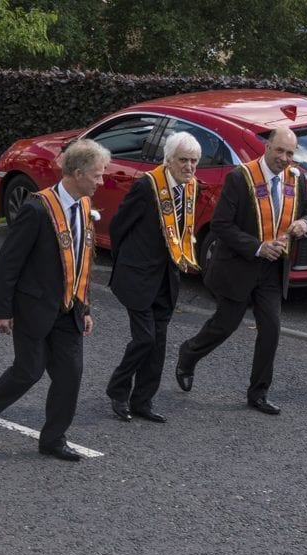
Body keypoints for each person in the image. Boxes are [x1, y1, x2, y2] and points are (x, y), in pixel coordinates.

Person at [0, 139, 110, 462]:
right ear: (77, 173)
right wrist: (2, 310)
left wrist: (85, 306)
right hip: (34, 308)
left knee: (70, 376)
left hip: (69, 310)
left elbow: (82, 262)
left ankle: (53, 439)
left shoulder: (85, 208)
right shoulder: (36, 209)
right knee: (29, 371)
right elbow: (10, 262)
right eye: (97, 175)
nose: (101, 182)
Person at [175, 126, 307, 415]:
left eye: (290, 153)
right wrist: (257, 247)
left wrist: (306, 224)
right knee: (225, 325)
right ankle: (188, 354)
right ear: (267, 147)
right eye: (279, 150)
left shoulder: (295, 178)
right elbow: (221, 225)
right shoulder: (240, 178)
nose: (284, 158)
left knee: (271, 330)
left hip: (272, 269)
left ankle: (258, 393)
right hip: (238, 267)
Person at [106, 132, 202, 423]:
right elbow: (118, 227)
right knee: (144, 338)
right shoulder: (146, 187)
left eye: (194, 161)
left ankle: (143, 401)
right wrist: (127, 263)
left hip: (166, 277)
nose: (189, 167)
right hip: (137, 276)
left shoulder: (190, 186)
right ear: (168, 160)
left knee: (158, 342)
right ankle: (117, 390)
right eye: (183, 160)